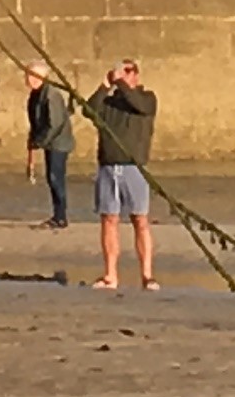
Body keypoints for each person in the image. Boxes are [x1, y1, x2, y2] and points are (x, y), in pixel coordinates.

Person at [82, 58, 161, 291]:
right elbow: (88, 110)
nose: (123, 75)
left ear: (136, 74)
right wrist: (105, 85)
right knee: (109, 219)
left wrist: (123, 83)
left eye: (128, 71)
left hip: (134, 167)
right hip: (108, 166)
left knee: (140, 220)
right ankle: (110, 275)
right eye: (121, 71)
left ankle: (147, 275)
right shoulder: (109, 103)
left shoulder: (147, 99)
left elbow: (138, 104)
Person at [23, 62, 78, 229]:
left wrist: (40, 141)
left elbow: (55, 124)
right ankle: (58, 214)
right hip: (50, 142)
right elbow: (36, 121)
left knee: (55, 178)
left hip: (59, 143)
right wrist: (33, 139)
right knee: (52, 178)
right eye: (28, 75)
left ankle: (60, 217)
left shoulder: (51, 94)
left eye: (33, 76)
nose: (29, 79)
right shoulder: (36, 94)